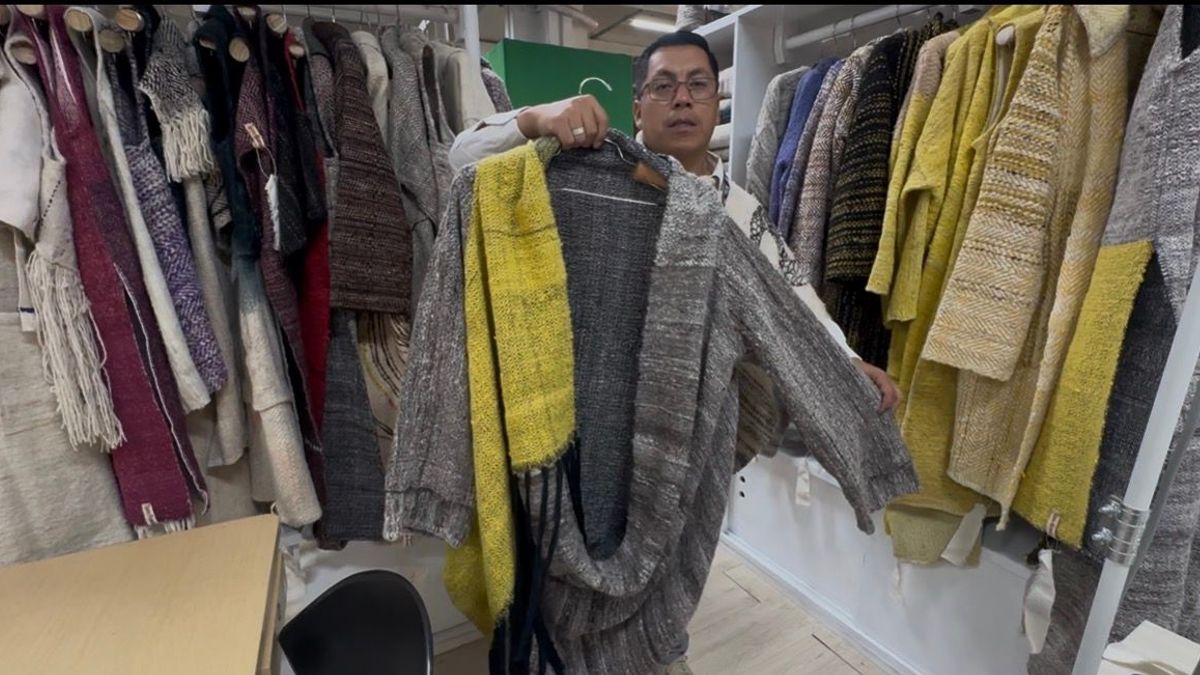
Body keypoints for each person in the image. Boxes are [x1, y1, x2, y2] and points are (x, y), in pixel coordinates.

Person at [448, 31, 899, 674]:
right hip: (578, 409)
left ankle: (653, 650)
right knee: (555, 558)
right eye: (664, 86)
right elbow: (463, 160)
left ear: (716, 102)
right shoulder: (579, 169)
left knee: (664, 560)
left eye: (697, 85)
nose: (682, 99)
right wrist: (536, 118)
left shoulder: (737, 212)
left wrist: (845, 362)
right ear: (638, 106)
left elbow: (794, 300)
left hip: (682, 430)